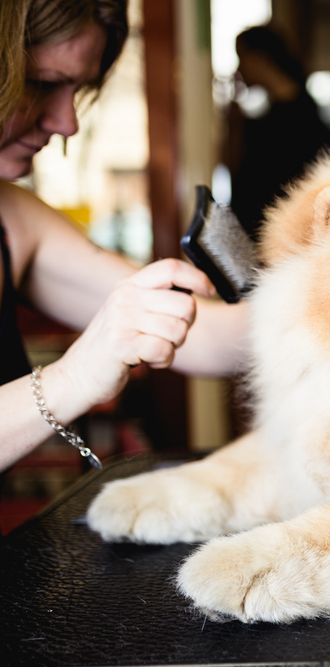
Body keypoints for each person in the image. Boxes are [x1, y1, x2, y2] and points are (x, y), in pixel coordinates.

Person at [0, 0, 247, 471]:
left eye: (77, 90)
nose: (67, 123)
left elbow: (206, 334)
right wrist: (73, 377)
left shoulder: (14, 222)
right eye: (42, 83)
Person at [227, 25, 330, 239]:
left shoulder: (304, 120)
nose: (238, 69)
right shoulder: (267, 118)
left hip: (277, 240)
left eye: (241, 58)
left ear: (260, 58)